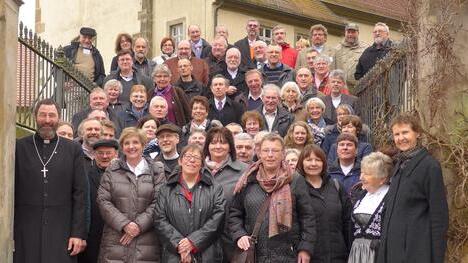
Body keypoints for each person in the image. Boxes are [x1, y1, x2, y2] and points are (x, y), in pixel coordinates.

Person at [14, 99, 87, 263]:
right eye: (43, 115)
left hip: (62, 230)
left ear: (58, 118)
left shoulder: (73, 149)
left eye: (52, 115)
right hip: (25, 230)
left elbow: (80, 193)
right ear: (35, 116)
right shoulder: (19, 147)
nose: (47, 120)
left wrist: (77, 233)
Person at [228, 133, 316, 262]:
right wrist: (239, 235)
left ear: (282, 154)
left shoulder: (295, 180)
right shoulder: (248, 179)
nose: (270, 155)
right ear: (259, 153)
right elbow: (234, 214)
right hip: (255, 254)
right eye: (266, 150)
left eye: (275, 150)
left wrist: (305, 248)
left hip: (288, 254)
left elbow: (307, 217)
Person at [377, 114, 449, 263]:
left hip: (415, 251)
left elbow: (439, 217)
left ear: (417, 133)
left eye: (405, 132)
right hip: (392, 250)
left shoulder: (430, 166)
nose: (400, 138)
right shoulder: (399, 164)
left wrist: (437, 258)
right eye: (397, 134)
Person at [97, 127, 166, 263]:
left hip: (146, 240)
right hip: (116, 239)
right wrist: (125, 225)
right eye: (127, 143)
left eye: (135, 142)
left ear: (143, 145)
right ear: (122, 147)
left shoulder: (157, 170)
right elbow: (103, 200)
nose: (131, 146)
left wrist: (138, 225)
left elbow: (160, 201)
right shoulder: (112, 170)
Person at [154, 144, 225, 263]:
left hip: (208, 254)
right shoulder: (166, 189)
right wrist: (180, 245)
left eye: (196, 158)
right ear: (180, 161)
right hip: (174, 255)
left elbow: (218, 219)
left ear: (202, 164)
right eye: (188, 156)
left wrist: (193, 242)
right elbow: (159, 220)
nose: (192, 160)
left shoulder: (215, 189)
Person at [296, 144, 352, 262]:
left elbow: (347, 221)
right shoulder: (295, 188)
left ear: (324, 163)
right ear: (301, 163)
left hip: (338, 256)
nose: (313, 164)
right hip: (308, 256)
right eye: (308, 160)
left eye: (318, 160)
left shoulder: (336, 186)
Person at [201, 127, 248, 261]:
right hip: (202, 239)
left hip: (232, 238)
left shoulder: (244, 170)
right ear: (207, 146)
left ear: (230, 146)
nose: (218, 146)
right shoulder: (196, 168)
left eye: (223, 142)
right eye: (214, 142)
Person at [78, 139, 119, 263]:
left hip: (117, 236)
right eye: (101, 153)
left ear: (116, 154)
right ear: (94, 155)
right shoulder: (84, 175)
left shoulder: (125, 175)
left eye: (108, 153)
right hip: (92, 236)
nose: (105, 156)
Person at [348, 152, 392, 263]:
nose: (361, 177)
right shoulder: (362, 195)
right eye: (361, 172)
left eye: (367, 174)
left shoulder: (390, 197)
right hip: (357, 252)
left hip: (378, 254)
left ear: (382, 178)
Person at [332, 23, 368, 94]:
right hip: (341, 89)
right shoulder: (337, 49)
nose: (350, 35)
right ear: (345, 33)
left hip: (360, 89)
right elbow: (332, 70)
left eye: (353, 32)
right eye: (348, 32)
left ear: (358, 33)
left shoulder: (366, 49)